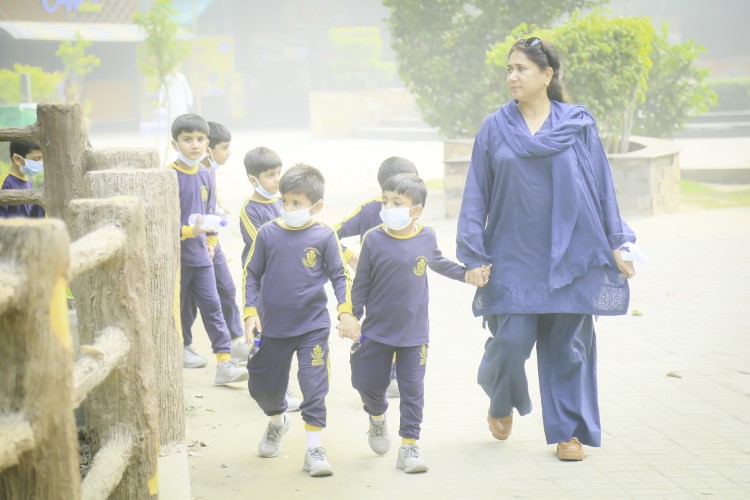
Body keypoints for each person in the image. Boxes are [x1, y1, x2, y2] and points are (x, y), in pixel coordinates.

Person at [455, 37, 638, 461]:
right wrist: (474, 254)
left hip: (571, 254)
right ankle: (500, 398)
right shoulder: (495, 127)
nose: (512, 76)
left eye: (521, 68)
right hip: (513, 254)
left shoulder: (577, 125)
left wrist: (618, 242)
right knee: (511, 340)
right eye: (509, 69)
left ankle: (568, 433)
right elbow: (476, 194)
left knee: (568, 347)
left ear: (547, 74)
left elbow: (602, 188)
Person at [345, 174, 475, 473]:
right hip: (376, 331)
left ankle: (409, 446)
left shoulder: (426, 237)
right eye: (385, 201)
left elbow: (440, 263)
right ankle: (377, 416)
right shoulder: (373, 238)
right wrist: (351, 315)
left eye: (397, 203)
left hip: (414, 334)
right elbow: (361, 283)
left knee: (412, 389)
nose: (388, 208)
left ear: (415, 210)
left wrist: (468, 275)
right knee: (366, 382)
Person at [243, 164, 358, 477]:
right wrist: (250, 312)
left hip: (312, 326)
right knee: (264, 388)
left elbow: (340, 275)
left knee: (314, 385)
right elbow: (251, 273)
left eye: (297, 203)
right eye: (285, 202)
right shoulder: (268, 234)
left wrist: (345, 311)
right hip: (272, 326)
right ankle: (277, 420)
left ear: (316, 206)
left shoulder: (324, 236)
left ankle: (314, 449)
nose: (290, 208)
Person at [168, 113, 247, 385]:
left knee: (213, 306)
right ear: (175, 144)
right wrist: (190, 231)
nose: (194, 145)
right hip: (177, 258)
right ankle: (179, 350)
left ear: (207, 143)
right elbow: (163, 223)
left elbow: (210, 212)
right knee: (179, 309)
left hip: (202, 256)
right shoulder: (168, 176)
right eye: (187, 139)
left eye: (200, 139)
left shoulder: (206, 174)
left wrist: (211, 244)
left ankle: (224, 363)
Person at [334, 156, 419, 399]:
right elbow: (329, 233)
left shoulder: (412, 210)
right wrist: (351, 256)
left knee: (404, 327)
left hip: (404, 286)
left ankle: (396, 375)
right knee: (378, 329)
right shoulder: (369, 209)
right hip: (373, 285)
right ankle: (377, 376)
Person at [239, 145, 302, 412]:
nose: (277, 179)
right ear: (253, 180)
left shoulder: (282, 203)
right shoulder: (249, 210)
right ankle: (272, 386)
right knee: (266, 334)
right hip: (263, 282)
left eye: (279, 173)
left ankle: (276, 385)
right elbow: (262, 244)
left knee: (283, 334)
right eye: (270, 175)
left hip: (284, 280)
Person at [1, 139, 45, 218]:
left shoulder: (28, 181)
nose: (40, 162)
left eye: (42, 158)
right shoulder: (6, 182)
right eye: (36, 159)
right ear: (17, 159)